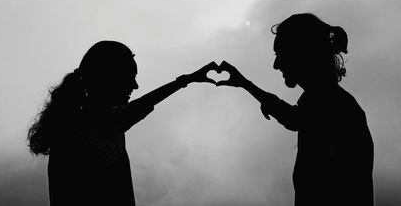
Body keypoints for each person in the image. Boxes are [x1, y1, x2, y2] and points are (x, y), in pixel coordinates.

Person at [27, 40, 216, 206]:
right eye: (130, 78)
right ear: (108, 78)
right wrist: (186, 80)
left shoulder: (105, 122)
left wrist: (187, 80)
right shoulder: (82, 131)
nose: (135, 86)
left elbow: (143, 104)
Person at [217, 13, 374, 205]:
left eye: (280, 54)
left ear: (302, 54)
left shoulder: (335, 106)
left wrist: (246, 85)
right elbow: (296, 118)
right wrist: (244, 84)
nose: (276, 65)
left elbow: (295, 119)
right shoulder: (331, 103)